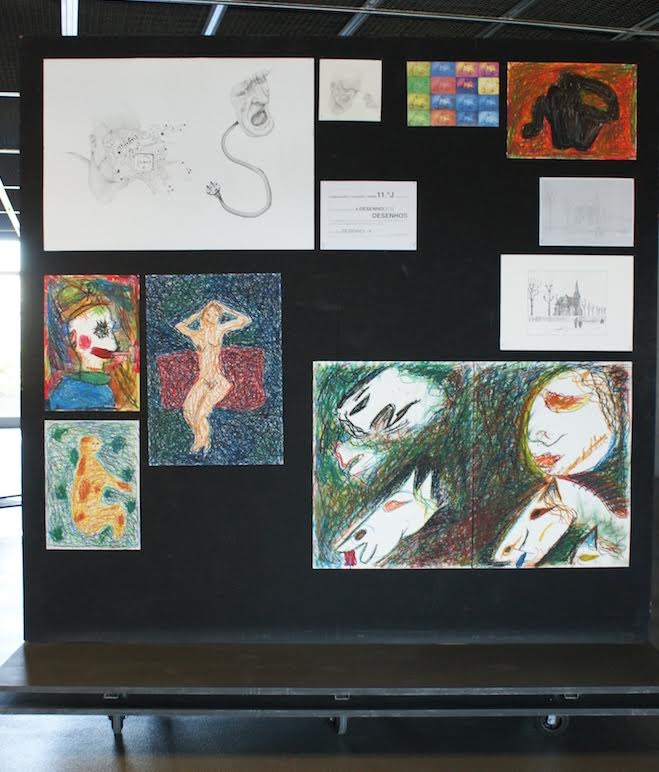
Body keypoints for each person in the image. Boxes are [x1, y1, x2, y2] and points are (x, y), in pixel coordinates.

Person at [493, 367, 629, 568]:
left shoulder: (611, 525)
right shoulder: (538, 495)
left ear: (616, 419)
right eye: (532, 411)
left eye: (563, 404)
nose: (536, 434)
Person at [175, 300, 251, 455]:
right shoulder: (197, 334)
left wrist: (226, 309)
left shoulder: (219, 330)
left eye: (216, 315)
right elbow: (179, 326)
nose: (212, 318)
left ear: (219, 317)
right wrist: (197, 314)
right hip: (203, 381)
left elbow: (245, 320)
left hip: (218, 381)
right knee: (188, 411)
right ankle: (202, 439)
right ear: (204, 316)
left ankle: (201, 443)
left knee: (201, 414)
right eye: (209, 314)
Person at [48, 281, 120, 410]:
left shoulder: (105, 392)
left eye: (111, 331)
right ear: (73, 338)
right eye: (101, 332)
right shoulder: (65, 394)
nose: (113, 345)